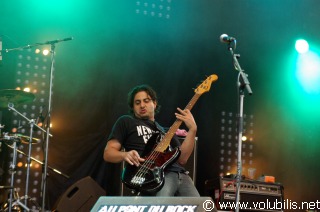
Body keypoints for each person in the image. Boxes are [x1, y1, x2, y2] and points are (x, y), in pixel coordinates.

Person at [103, 84, 199, 196]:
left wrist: (193, 129)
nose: (142, 105)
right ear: (133, 107)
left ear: (154, 103)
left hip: (182, 176)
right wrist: (124, 155)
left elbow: (182, 159)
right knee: (160, 207)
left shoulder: (167, 131)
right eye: (137, 103)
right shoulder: (126, 122)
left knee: (203, 208)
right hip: (156, 175)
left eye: (146, 101)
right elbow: (108, 153)